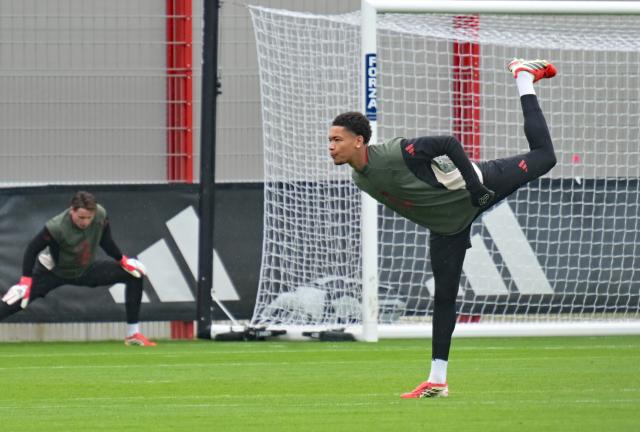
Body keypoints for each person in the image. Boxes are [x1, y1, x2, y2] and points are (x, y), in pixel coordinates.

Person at [328, 59, 557, 398]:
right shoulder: (358, 178)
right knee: (445, 298)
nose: (331, 146)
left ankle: (523, 76)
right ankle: (437, 380)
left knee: (545, 156)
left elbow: (449, 143)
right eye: (329, 141)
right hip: (448, 228)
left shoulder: (396, 152)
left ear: (359, 141)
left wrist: (476, 187)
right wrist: (441, 229)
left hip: (479, 185)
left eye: (337, 140)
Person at [0, 191, 156, 346]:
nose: (85, 222)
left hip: (84, 269)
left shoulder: (100, 215)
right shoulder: (57, 227)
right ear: (71, 210)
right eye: (81, 217)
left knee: (134, 275)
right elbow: (32, 249)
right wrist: (25, 281)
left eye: (89, 217)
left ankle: (132, 334)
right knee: (14, 302)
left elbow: (106, 241)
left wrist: (122, 259)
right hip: (52, 272)